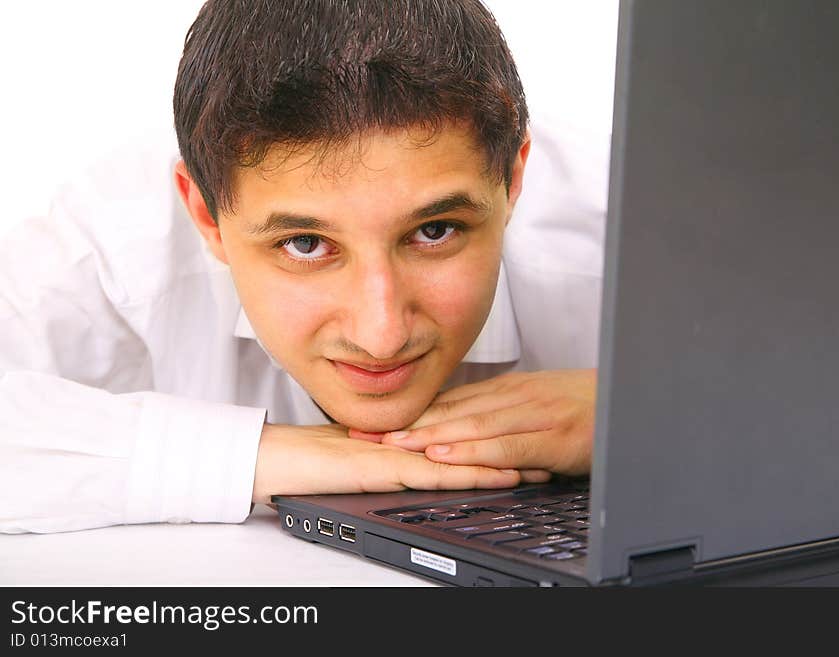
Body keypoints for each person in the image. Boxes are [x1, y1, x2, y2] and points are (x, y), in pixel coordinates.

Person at [0, 0, 606, 533]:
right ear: (206, 214)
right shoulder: (117, 236)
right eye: (306, 244)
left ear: (514, 177)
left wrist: (647, 417)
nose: (381, 334)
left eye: (434, 231)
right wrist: (259, 458)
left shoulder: (624, 228)